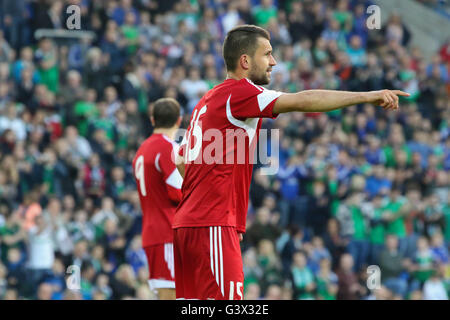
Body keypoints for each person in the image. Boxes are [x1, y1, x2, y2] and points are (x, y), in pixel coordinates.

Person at [173, 24, 409, 300]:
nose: (274, 61)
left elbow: (181, 159)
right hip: (211, 223)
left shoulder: (208, 99)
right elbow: (303, 100)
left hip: (188, 225)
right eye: (267, 54)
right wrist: (366, 96)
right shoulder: (240, 92)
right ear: (245, 61)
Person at [132, 98, 183, 300]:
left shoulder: (142, 149)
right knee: (171, 294)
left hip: (152, 230)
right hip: (167, 231)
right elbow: (177, 193)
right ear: (179, 121)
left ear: (153, 120)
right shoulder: (168, 148)